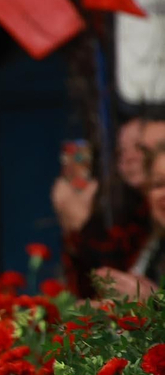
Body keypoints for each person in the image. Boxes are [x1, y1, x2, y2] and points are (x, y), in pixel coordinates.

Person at [55, 119, 159, 297]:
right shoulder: (128, 212)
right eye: (121, 151)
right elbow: (100, 282)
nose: (128, 158)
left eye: (140, 147)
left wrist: (81, 227)